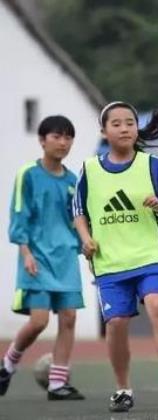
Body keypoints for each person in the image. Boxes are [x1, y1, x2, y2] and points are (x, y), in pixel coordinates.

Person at [72, 101, 158, 412]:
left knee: (157, 303)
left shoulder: (152, 165)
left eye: (130, 122)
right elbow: (78, 212)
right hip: (110, 262)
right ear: (103, 131)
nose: (124, 128)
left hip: (149, 255)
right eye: (116, 123)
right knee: (116, 323)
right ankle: (123, 389)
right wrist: (86, 240)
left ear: (136, 128)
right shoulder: (90, 169)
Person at [0, 116, 85, 400]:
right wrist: (25, 252)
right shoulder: (28, 174)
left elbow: (78, 221)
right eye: (56, 136)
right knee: (38, 322)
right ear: (42, 140)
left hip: (66, 260)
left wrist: (85, 245)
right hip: (36, 259)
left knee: (69, 318)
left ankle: (57, 384)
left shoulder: (74, 181)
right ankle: (8, 364)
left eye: (68, 137)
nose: (63, 142)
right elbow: (19, 214)